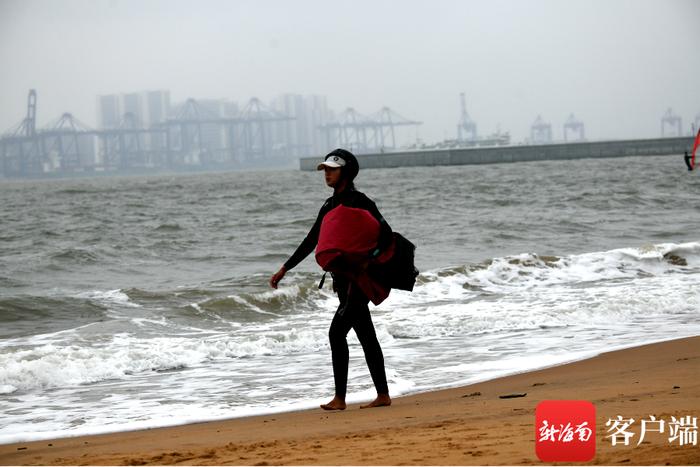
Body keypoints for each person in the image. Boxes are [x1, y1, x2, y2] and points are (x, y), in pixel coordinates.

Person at [269, 148, 392, 410]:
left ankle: (340, 399)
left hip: (358, 281)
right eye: (324, 169)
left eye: (331, 169)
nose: (326, 174)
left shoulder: (360, 201)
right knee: (366, 335)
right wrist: (285, 268)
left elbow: (386, 235)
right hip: (342, 282)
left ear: (345, 172)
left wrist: (368, 260)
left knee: (336, 334)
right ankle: (382, 395)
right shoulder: (329, 205)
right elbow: (312, 240)